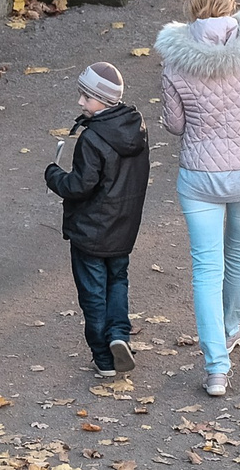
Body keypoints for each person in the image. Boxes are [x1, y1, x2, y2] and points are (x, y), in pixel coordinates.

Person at [156, 0, 240, 398]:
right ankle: (233, 326)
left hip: (199, 176)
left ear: (192, 2)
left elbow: (175, 125)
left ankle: (216, 367)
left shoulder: (174, 57)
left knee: (205, 269)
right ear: (231, 2)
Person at [43, 60, 151, 377]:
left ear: (102, 100)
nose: (80, 102)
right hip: (123, 228)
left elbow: (80, 185)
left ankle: (103, 358)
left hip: (91, 232)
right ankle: (119, 334)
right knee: (118, 281)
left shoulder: (93, 139)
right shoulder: (136, 127)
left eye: (86, 97)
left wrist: (53, 176)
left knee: (93, 294)